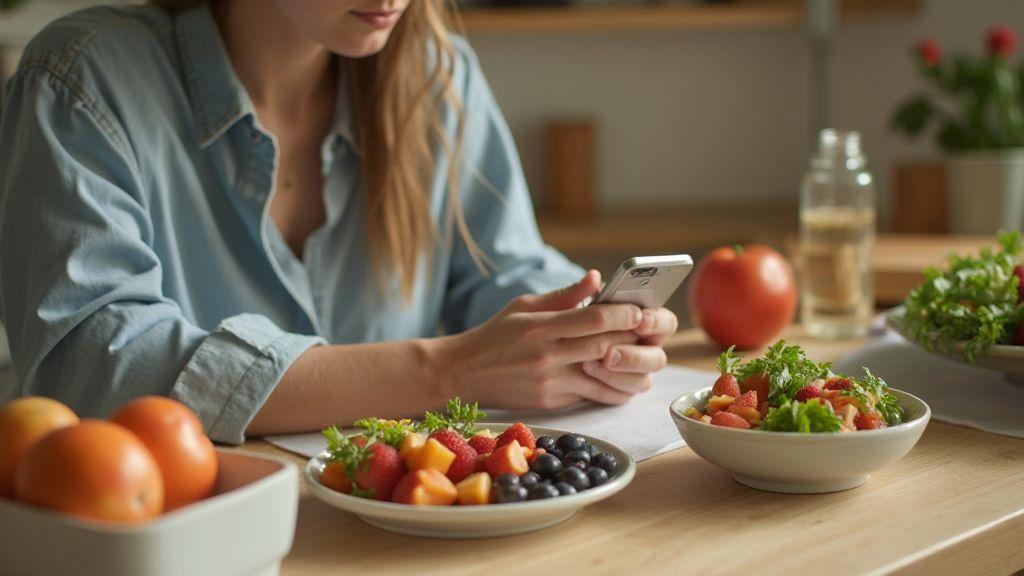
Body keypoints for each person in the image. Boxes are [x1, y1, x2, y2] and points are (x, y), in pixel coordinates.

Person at [0, 0, 677, 444]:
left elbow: (505, 271)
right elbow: (91, 363)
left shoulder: (436, 75)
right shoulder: (81, 81)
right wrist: (445, 371)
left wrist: (586, 332)